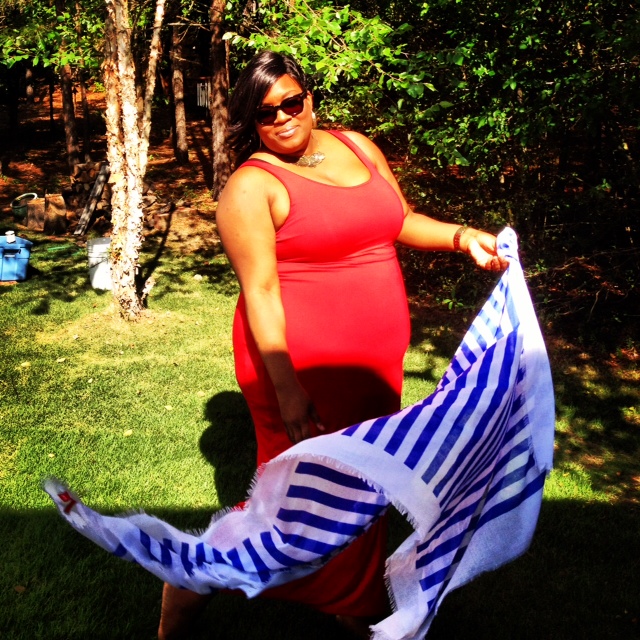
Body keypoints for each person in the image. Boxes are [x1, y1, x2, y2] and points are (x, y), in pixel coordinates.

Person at [158, 50, 508, 640]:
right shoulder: (250, 187)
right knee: (297, 501)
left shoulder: (356, 146)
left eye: (291, 102)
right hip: (301, 367)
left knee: (364, 483)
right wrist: (287, 389)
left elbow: (399, 220)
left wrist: (462, 236)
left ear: (309, 98)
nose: (283, 117)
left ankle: (355, 604)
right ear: (251, 121)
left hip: (372, 365)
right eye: (266, 112)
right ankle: (192, 577)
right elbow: (260, 291)